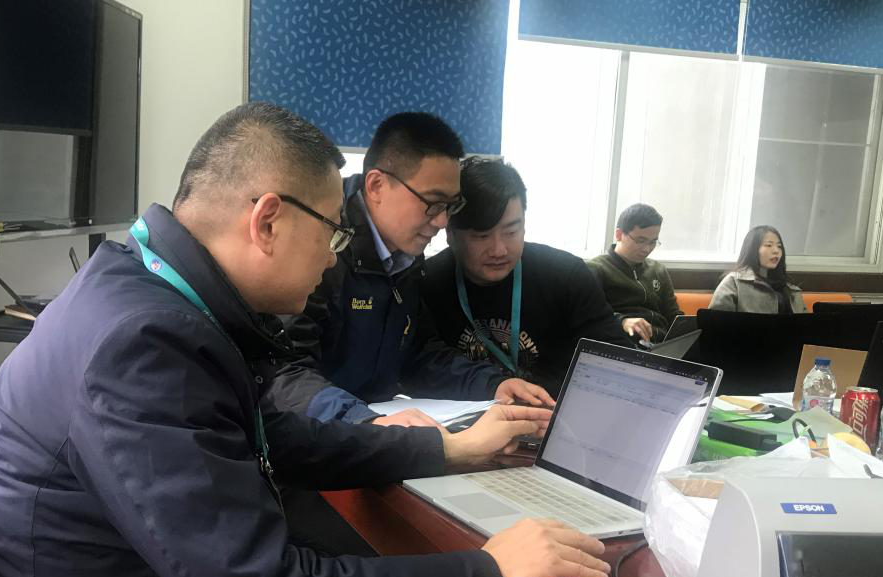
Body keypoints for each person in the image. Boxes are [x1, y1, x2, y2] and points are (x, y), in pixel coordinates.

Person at [0, 102, 612, 577]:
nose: (334, 259)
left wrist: (443, 452)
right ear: (268, 221)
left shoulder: (140, 293)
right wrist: (489, 571)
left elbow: (271, 437)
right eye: (332, 233)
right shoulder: (142, 347)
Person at [265, 112, 553, 428]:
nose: (442, 221)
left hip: (371, 433)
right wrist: (367, 423)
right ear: (376, 186)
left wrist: (493, 385)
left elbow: (419, 354)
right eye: (432, 202)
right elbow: (284, 374)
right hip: (318, 435)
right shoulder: (319, 245)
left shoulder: (406, 255)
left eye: (450, 205)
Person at [422, 156, 633, 397]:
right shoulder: (428, 282)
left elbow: (619, 360)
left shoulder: (565, 275)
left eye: (511, 231)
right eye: (481, 236)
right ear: (450, 233)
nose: (499, 250)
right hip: (473, 413)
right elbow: (423, 364)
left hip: (554, 409)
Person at [586, 204, 682, 341]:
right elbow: (590, 315)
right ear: (619, 234)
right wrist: (622, 321)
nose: (647, 249)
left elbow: (673, 315)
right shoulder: (596, 269)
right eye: (640, 240)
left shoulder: (658, 269)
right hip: (623, 339)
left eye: (653, 242)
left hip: (661, 341)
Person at [709, 225, 804, 314]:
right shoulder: (734, 282)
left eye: (779, 246)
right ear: (752, 249)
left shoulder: (789, 288)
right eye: (769, 245)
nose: (776, 251)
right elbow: (716, 322)